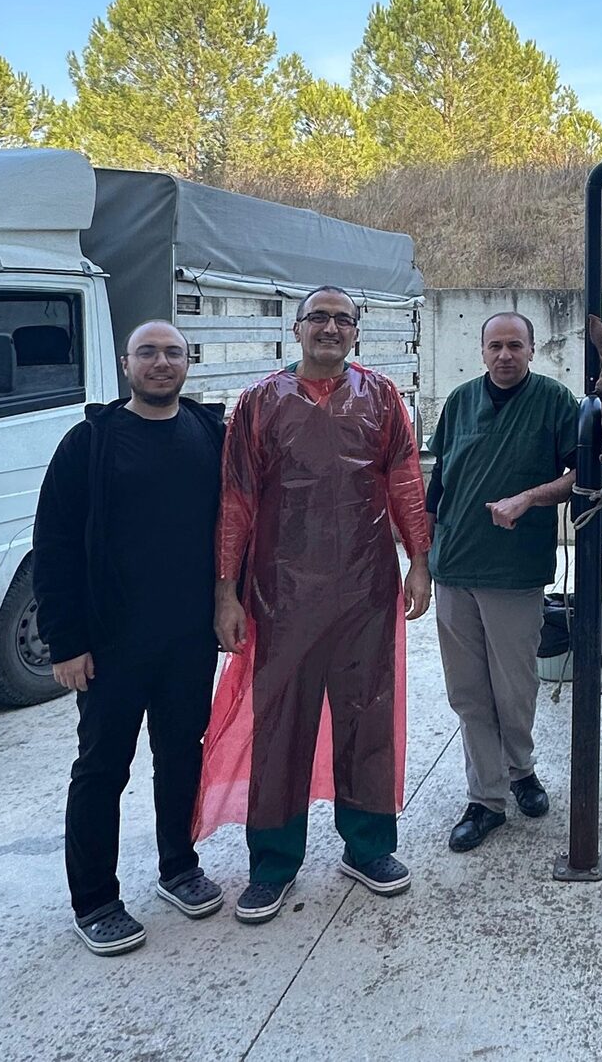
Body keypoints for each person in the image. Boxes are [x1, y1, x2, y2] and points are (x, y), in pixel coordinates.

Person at [200, 285, 431, 923]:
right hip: (280, 594)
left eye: (343, 320)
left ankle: (368, 847)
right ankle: (272, 863)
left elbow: (406, 479)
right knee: (280, 725)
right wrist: (227, 592)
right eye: (319, 318)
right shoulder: (258, 404)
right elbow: (236, 500)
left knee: (368, 715)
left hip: (365, 589)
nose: (331, 328)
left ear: (357, 332)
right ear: (297, 329)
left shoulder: (382, 398)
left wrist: (420, 562)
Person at [33, 320, 226, 956]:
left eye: (173, 353)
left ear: (187, 362)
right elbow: (54, 548)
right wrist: (65, 643)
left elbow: (238, 528)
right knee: (101, 769)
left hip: (187, 641)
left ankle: (178, 866)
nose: (161, 363)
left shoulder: (208, 434)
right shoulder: (88, 443)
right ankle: (95, 900)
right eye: (149, 353)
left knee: (181, 755)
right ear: (126, 364)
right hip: (110, 647)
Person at [427, 312, 578, 852]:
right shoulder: (462, 401)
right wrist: (423, 560)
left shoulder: (556, 402)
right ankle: (485, 799)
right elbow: (438, 483)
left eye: (516, 345)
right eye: (495, 345)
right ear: (482, 350)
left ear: (533, 350)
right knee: (468, 692)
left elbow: (580, 472)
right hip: (454, 568)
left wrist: (530, 497)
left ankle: (521, 769)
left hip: (513, 573)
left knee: (514, 689)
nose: (505, 355)